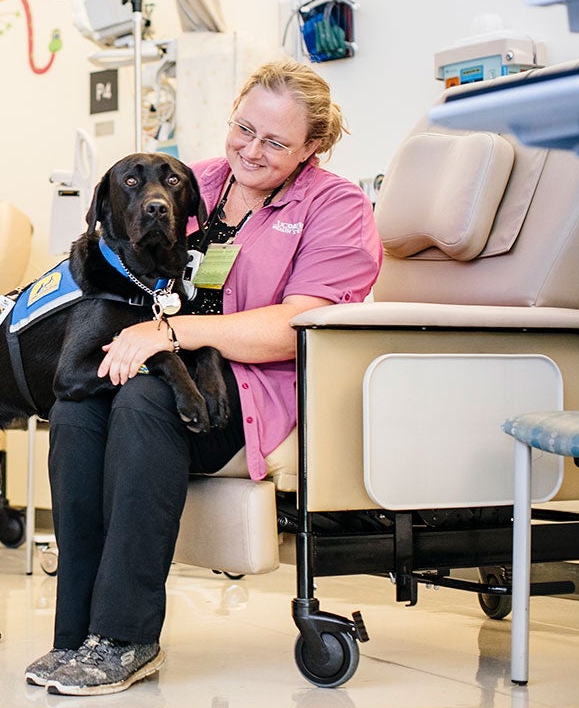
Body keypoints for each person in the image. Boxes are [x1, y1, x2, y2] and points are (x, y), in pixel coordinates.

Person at [25, 59, 384, 696]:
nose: (250, 149)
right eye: (243, 129)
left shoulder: (337, 207)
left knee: (140, 403)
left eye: (275, 142)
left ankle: (125, 637)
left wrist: (173, 333)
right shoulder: (198, 180)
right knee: (77, 404)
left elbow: (300, 324)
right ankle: (74, 632)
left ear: (313, 147)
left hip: (248, 390)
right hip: (165, 363)